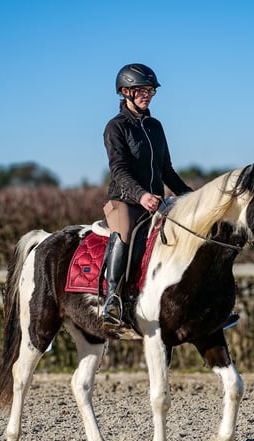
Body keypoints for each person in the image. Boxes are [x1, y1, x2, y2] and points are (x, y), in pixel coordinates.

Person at [100, 63, 192, 327]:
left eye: (150, 90)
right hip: (124, 201)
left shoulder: (156, 126)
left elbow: (166, 170)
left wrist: (191, 198)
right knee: (125, 234)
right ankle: (113, 300)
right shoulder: (115, 127)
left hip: (156, 202)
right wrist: (140, 195)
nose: (147, 94)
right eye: (141, 90)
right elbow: (118, 170)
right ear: (125, 92)